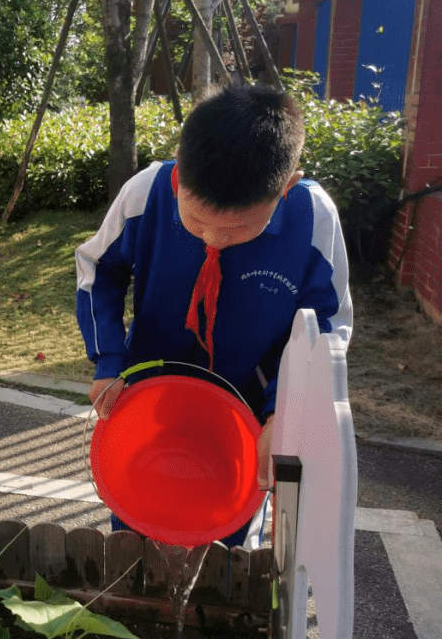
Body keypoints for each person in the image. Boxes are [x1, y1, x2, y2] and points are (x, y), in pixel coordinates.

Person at [75, 84, 352, 547]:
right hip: (150, 399)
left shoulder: (312, 217)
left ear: (286, 187)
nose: (215, 240)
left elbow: (326, 325)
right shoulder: (146, 192)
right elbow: (96, 270)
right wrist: (108, 361)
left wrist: (285, 412)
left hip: (246, 410)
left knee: (229, 539)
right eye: (197, 222)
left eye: (239, 229)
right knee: (139, 524)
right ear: (179, 179)